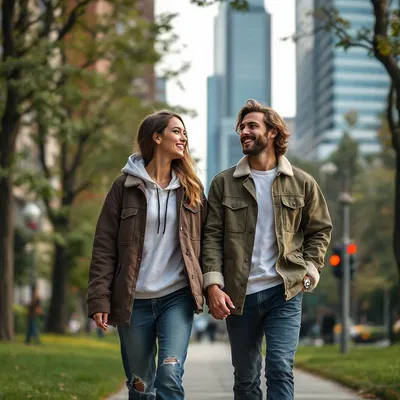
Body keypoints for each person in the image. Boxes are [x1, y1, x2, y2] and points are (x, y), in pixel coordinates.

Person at [202, 99, 332, 400]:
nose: (244, 132)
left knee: (280, 367)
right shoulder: (223, 184)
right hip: (238, 294)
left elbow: (320, 230)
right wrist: (213, 283)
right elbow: (210, 237)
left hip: (283, 290)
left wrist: (311, 268)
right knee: (245, 378)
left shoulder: (302, 183)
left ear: (272, 132)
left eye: (252, 126)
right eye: (241, 128)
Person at [87, 110, 206, 400]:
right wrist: (99, 298)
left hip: (176, 297)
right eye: (176, 131)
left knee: (169, 375)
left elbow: (208, 241)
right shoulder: (124, 187)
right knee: (140, 384)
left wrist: (213, 285)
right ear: (156, 136)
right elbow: (104, 245)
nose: (183, 137)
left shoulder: (192, 190)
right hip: (133, 300)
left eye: (184, 132)